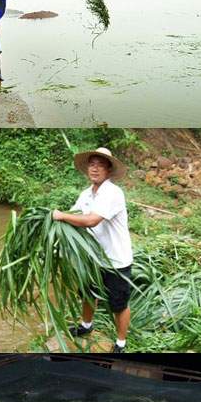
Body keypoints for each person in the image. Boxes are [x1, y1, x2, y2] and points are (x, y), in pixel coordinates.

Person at [52, 147, 133, 354]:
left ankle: (121, 343)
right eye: (92, 164)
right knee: (88, 294)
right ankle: (86, 326)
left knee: (118, 304)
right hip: (92, 258)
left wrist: (60, 216)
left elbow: (90, 221)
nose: (95, 168)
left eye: (100, 164)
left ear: (108, 169)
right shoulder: (86, 194)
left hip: (116, 261)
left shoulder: (113, 193)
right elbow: (75, 215)